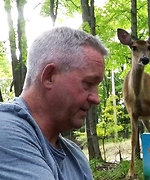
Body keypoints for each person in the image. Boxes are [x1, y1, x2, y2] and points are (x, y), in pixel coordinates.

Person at [0, 26, 108, 180]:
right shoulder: (4, 130)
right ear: (49, 77)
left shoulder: (76, 158)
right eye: (88, 83)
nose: (96, 98)